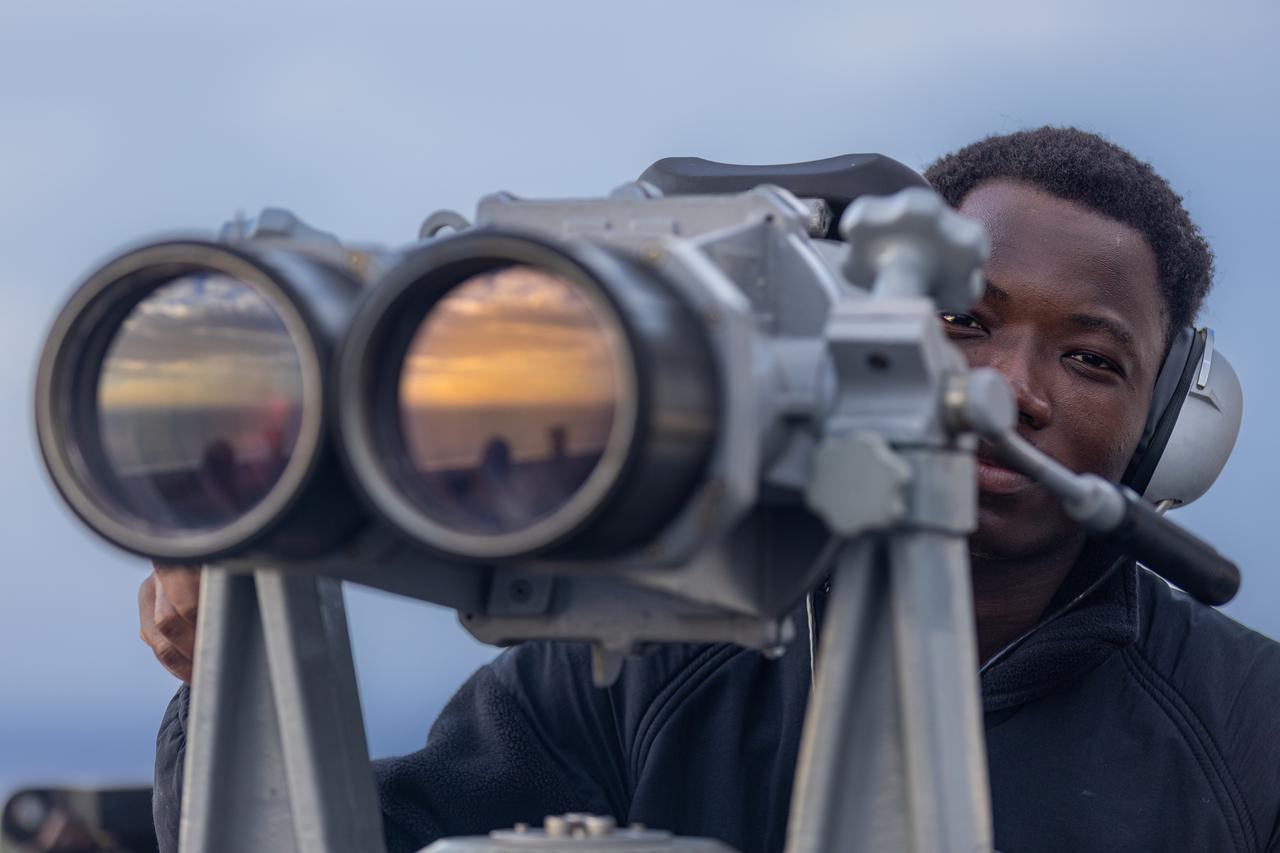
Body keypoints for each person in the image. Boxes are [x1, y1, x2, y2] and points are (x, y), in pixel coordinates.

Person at [139, 127, 1280, 853]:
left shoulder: (1249, 726)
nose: (1006, 389)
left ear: (1166, 433)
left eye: (1089, 359)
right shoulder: (646, 653)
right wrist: (234, 648)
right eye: (961, 323)